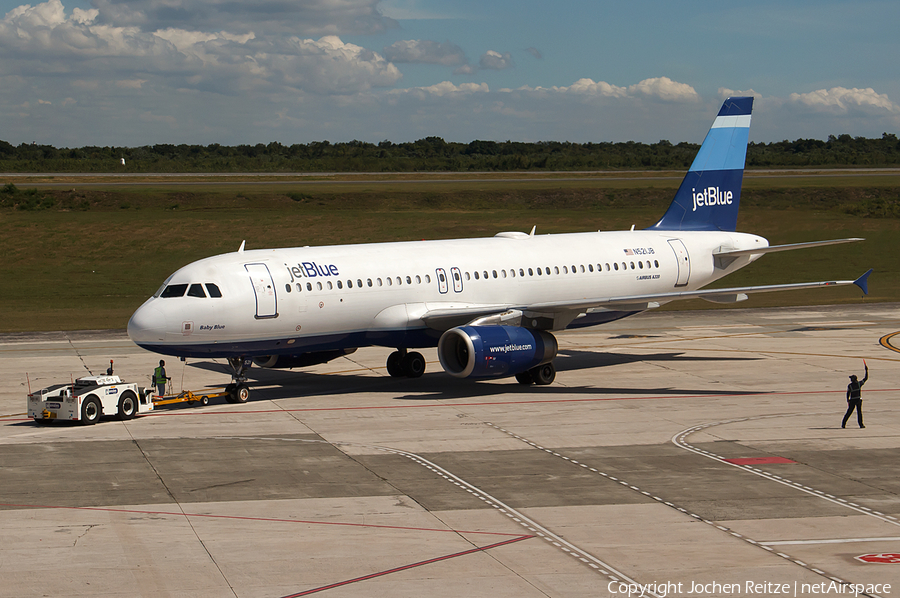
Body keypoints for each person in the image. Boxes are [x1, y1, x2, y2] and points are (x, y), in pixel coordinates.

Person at [842, 363, 868, 429]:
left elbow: (848, 393)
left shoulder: (850, 385)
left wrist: (848, 400)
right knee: (859, 413)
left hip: (852, 400)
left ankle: (843, 424)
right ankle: (861, 425)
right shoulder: (859, 384)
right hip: (858, 400)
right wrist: (866, 370)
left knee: (849, 412)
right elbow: (865, 378)